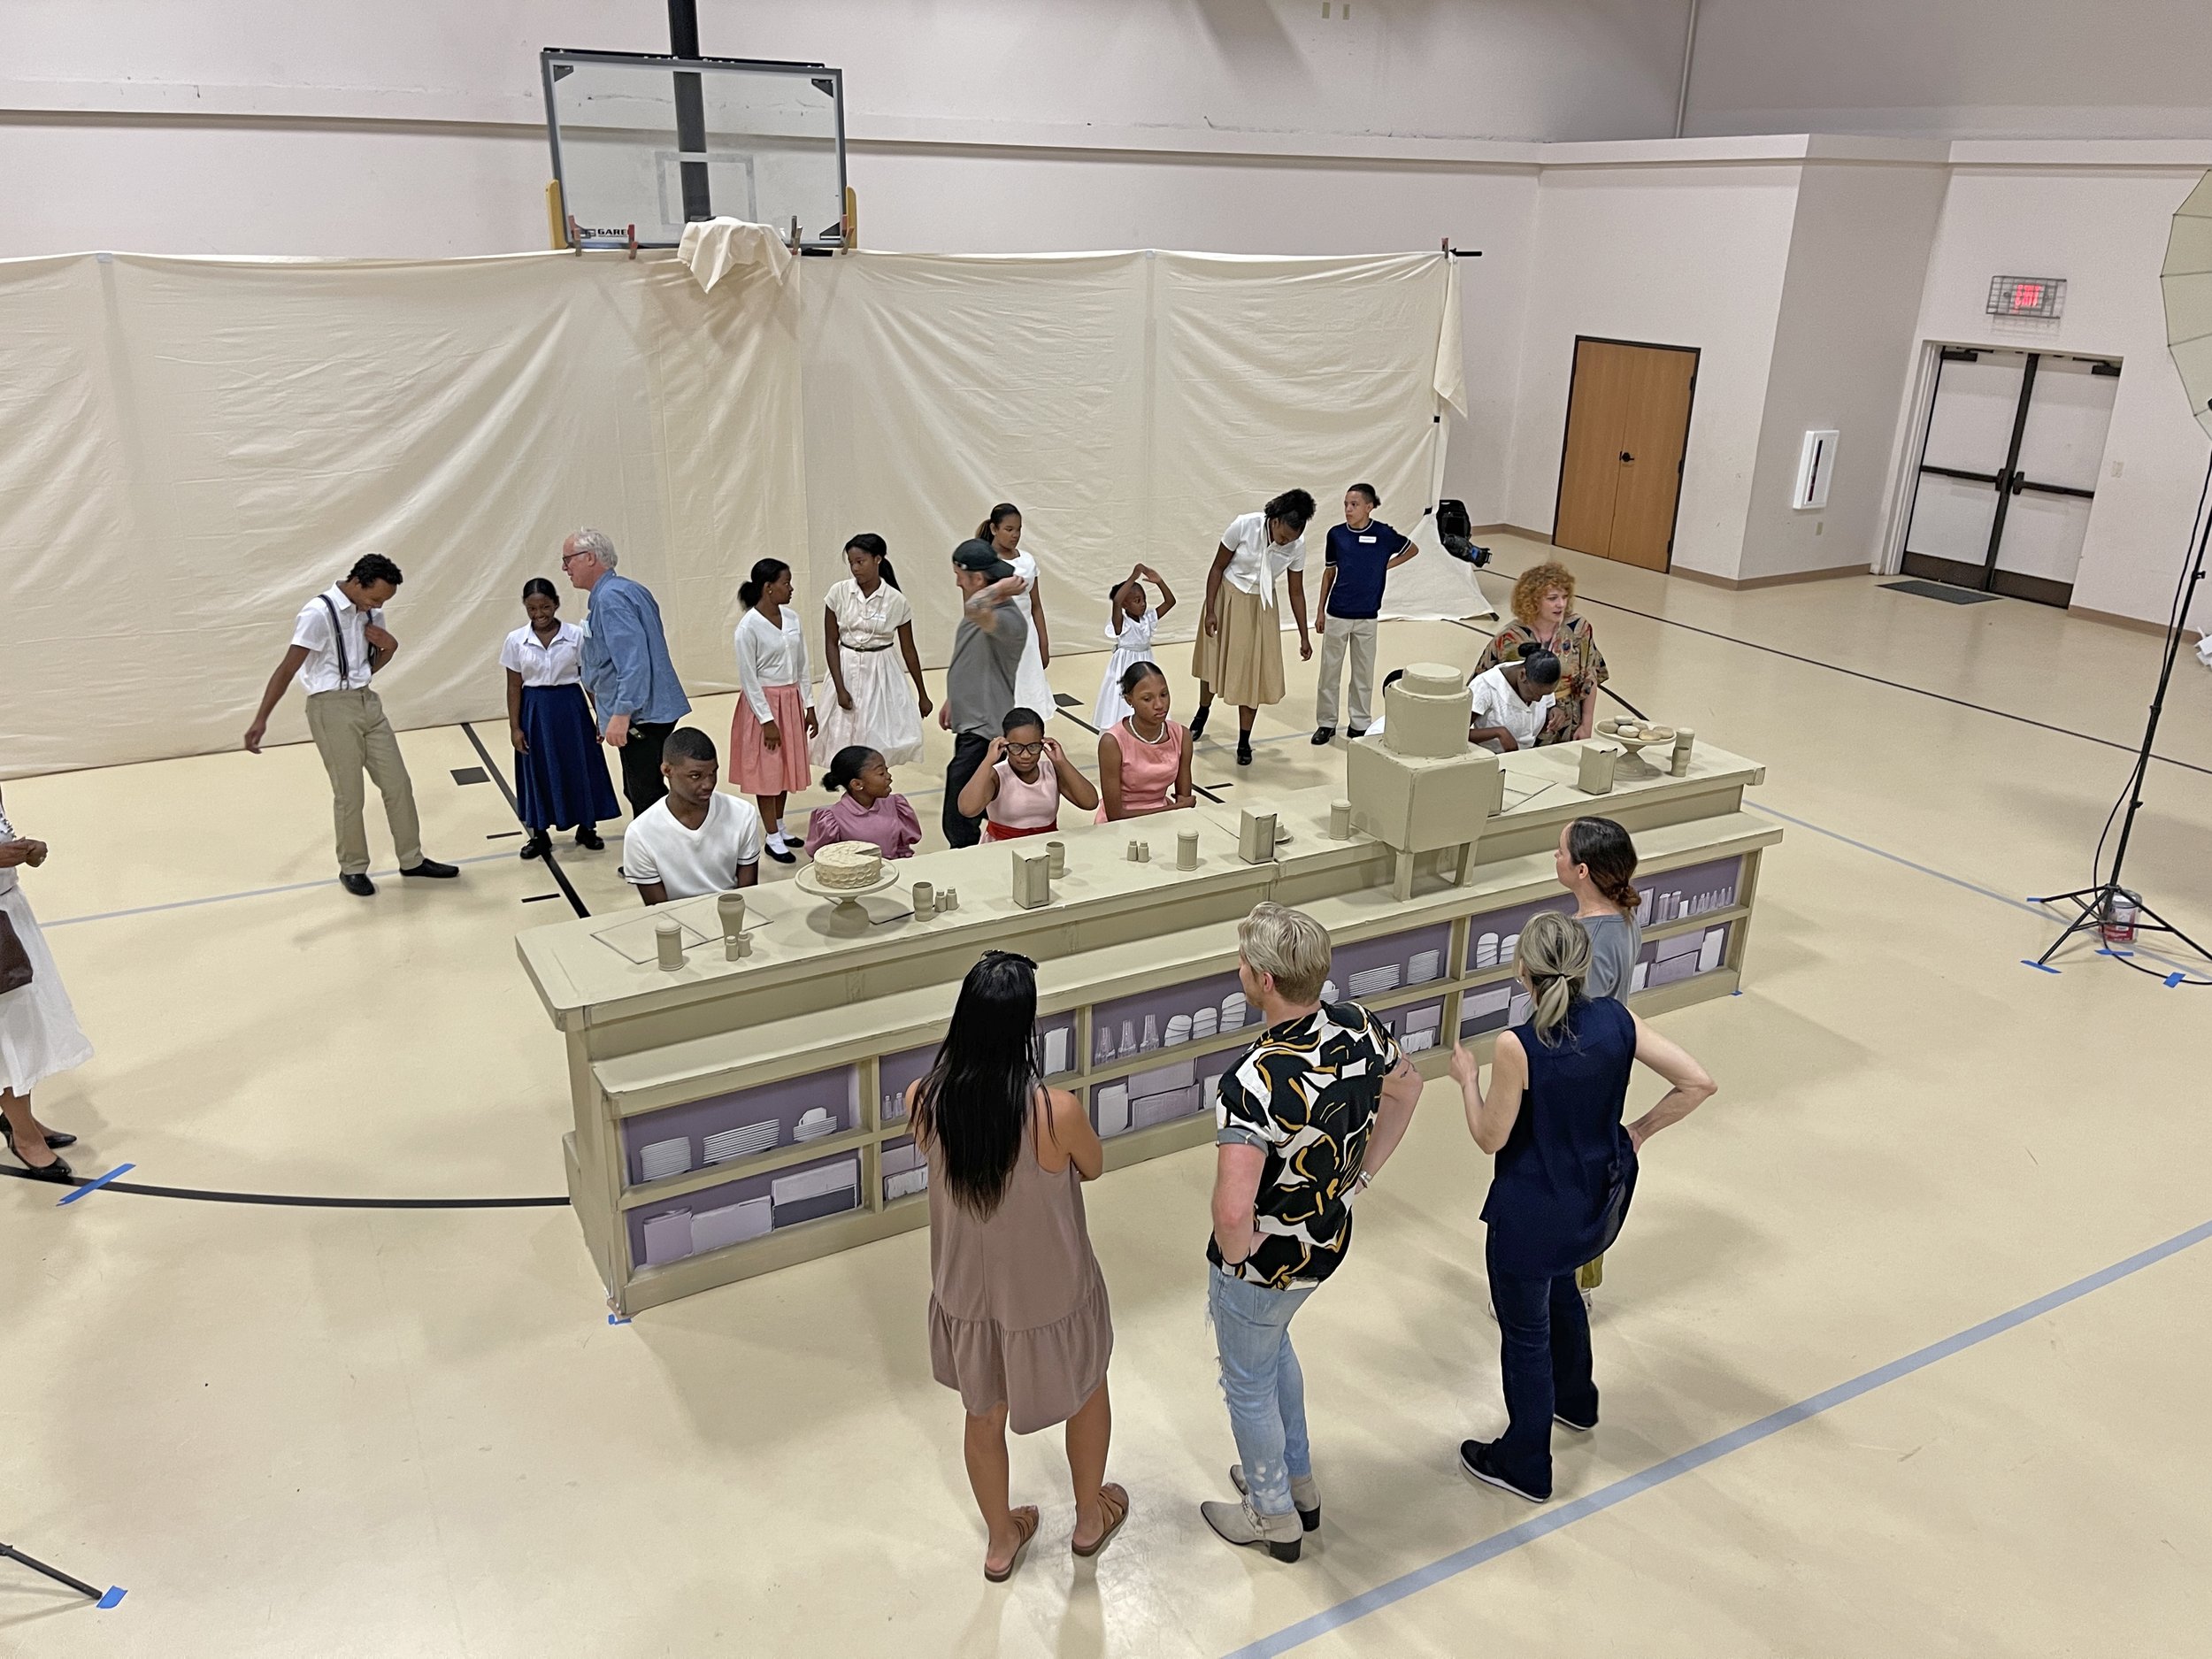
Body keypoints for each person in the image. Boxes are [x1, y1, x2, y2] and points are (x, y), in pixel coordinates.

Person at [1447, 911, 1715, 1504]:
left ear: (1524, 971)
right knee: (1564, 1290)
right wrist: (1638, 1130)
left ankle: (1525, 1460)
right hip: (1596, 1204)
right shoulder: (1618, 1019)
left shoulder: (1517, 1045)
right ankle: (1577, 1399)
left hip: (1530, 1214)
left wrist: (1467, 1079)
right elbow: (1698, 1081)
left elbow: (1491, 1136)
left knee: (1526, 1332)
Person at [1201, 902, 1425, 1562]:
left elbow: (1233, 1210)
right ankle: (1296, 1480)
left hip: (1266, 1259)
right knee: (1273, 1350)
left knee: (1246, 1378)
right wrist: (1360, 1179)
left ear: (1264, 980)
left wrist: (1239, 1266)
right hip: (1325, 1240)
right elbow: (1408, 1092)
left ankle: (1273, 1515)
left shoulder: (1253, 1082)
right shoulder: (1357, 1026)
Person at [909, 950, 1125, 1580]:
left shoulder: (924, 1100)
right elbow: (1095, 1164)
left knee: (982, 1413)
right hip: (1051, 1293)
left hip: (967, 1297)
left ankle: (1002, 1539)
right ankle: (1090, 1518)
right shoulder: (1054, 1112)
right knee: (1087, 1392)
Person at [242, 554, 459, 897]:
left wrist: (390, 649)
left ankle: (412, 859)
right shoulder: (317, 614)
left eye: (384, 601)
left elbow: (369, 666)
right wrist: (261, 718)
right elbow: (287, 669)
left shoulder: (371, 610)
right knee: (350, 794)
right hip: (330, 709)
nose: (379, 605)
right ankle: (352, 867)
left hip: (367, 701)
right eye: (376, 598)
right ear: (357, 582)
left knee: (398, 783)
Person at [1555, 817, 1643, 1306]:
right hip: (1601, 1072)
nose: (1555, 858)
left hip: (1577, 1078)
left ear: (1583, 869)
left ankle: (1565, 1283)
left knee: (1566, 1179)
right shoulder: (1624, 915)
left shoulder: (1588, 938)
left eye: (1561, 852)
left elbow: (1578, 1015)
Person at [562, 527, 692, 818]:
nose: (564, 567)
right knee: (641, 790)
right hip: (649, 709)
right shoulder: (627, 590)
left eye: (568, 559)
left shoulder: (611, 600)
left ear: (590, 558)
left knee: (645, 794)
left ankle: (655, 860)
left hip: (640, 716)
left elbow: (633, 662)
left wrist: (621, 714)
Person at [0, 791, 92, 1183]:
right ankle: (23, 1135)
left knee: (23, 1024)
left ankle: (21, 1119)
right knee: (8, 1033)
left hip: (9, 910)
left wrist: (29, 851)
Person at [1192, 490, 1317, 767]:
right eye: (1283, 537)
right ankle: (1202, 711)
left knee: (1253, 675)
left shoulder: (1297, 545)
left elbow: (1296, 592)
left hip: (1262, 606)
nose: (1286, 543)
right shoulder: (1244, 526)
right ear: (1274, 521)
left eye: (1292, 540)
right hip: (1228, 598)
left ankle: (1244, 740)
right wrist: (1211, 609)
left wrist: (1304, 635)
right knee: (1213, 663)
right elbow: (1217, 568)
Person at [503, 578, 618, 862]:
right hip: (535, 711)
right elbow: (514, 686)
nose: (539, 614)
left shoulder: (576, 635)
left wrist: (601, 716)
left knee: (577, 764)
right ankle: (539, 833)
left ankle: (586, 826)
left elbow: (589, 680)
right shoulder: (516, 640)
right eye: (532, 609)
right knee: (538, 769)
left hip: (570, 707)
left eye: (545, 607)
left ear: (556, 603)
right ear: (525, 608)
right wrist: (515, 727)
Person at [939, 540, 1033, 849]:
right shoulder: (986, 612)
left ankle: (965, 862)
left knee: (960, 815)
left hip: (984, 732)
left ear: (978, 580)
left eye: (959, 575)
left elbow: (975, 607)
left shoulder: (1007, 620)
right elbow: (973, 657)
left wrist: (1001, 588)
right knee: (960, 811)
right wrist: (955, 697)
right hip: (970, 722)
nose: (955, 582)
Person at [813, 534, 932, 769]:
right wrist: (839, 686)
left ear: (878, 559)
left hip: (881, 671)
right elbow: (830, 641)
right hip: (846, 667)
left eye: (860, 562)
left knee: (877, 734)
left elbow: (909, 649)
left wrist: (923, 694)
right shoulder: (838, 593)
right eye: (851, 563)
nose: (855, 568)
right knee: (843, 735)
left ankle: (876, 788)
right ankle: (849, 791)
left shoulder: (896, 601)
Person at [1311, 483, 1417, 744]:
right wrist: (1320, 610)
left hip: (1368, 615)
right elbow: (1329, 572)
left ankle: (1359, 723)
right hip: (1338, 613)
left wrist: (1384, 566)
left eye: (1354, 504)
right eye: (1346, 504)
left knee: (1363, 672)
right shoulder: (1336, 535)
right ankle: (1326, 722)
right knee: (1330, 672)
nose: (1348, 509)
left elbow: (1411, 549)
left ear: (1369, 507)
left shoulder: (1384, 534)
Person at [731, 558, 818, 864]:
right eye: (786, 582)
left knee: (784, 769)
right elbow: (749, 679)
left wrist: (809, 704)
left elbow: (803, 665)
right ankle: (770, 835)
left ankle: (780, 825)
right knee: (767, 773)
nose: (791, 588)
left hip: (790, 700)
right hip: (764, 706)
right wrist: (766, 720)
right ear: (769, 588)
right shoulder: (748, 628)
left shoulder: (792, 618)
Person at [623, 728, 763, 904]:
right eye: (695, 776)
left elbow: (746, 894)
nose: (708, 784)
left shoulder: (742, 813)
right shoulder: (640, 834)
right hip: (677, 923)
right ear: (667, 770)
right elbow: (659, 910)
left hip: (731, 914)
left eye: (713, 773)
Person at [1473, 561, 1609, 743]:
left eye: (1564, 597)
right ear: (1533, 600)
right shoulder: (1509, 638)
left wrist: (1586, 724)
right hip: (1523, 724)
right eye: (1552, 598)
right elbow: (1481, 685)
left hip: (1569, 722)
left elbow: (1590, 677)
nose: (1560, 604)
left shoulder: (1578, 628)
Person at [957, 709, 1099, 841]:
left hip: (1045, 846)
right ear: (1004, 743)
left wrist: (1062, 762)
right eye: (1016, 747)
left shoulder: (1051, 771)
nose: (1025, 755)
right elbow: (967, 809)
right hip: (1001, 848)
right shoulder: (997, 775)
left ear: (1043, 743)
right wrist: (988, 761)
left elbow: (1090, 802)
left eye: (1033, 747)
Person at [979, 503, 1056, 723]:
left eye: (1018, 529)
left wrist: (1043, 644)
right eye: (1009, 529)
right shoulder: (985, 562)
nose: (1015, 535)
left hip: (1026, 637)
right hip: (997, 637)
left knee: (1029, 695)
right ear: (994, 529)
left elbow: (1036, 605)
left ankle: (1028, 745)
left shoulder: (1028, 560)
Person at [1094, 664, 1193, 822]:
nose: (1159, 705)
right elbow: (1115, 815)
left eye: (1164, 694)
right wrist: (1172, 809)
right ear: (1129, 700)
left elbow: (1185, 801)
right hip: (1121, 826)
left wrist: (1175, 809)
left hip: (1165, 819)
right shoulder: (1112, 742)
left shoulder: (1182, 736)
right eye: (1147, 699)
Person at [1093, 564, 1176, 729]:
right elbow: (1116, 600)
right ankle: (1122, 728)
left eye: (1144, 600)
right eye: (1137, 601)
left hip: (1145, 659)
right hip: (1125, 663)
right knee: (1123, 694)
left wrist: (1160, 582)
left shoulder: (1148, 619)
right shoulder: (1121, 623)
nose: (1143, 604)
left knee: (1146, 690)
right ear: (1125, 605)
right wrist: (1133, 577)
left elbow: (1170, 601)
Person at [804, 748, 923, 860]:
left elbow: (902, 847)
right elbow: (824, 857)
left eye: (887, 770)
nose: (889, 777)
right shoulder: (832, 820)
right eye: (881, 773)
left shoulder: (895, 805)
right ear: (857, 784)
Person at [1468, 649, 1561, 754]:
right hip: (1489, 758)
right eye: (1535, 693)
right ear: (1522, 675)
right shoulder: (1485, 687)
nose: (1539, 699)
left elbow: (1545, 711)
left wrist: (1554, 712)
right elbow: (1457, 735)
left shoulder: (1540, 681)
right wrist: (1498, 732)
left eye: (1545, 695)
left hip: (1524, 756)